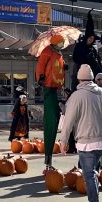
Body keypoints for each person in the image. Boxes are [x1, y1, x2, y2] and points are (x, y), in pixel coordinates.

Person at [58, 64, 102, 202]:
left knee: (88, 175)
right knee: (93, 173)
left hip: (86, 142)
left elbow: (68, 122)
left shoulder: (76, 96)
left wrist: (63, 141)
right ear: (92, 78)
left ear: (79, 78)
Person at [35, 34, 67, 168]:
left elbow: (60, 66)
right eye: (61, 42)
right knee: (51, 120)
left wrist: (65, 67)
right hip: (49, 86)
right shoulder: (47, 51)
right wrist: (40, 78)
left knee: (54, 117)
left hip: (56, 86)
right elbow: (41, 66)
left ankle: (49, 159)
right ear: (55, 42)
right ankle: (48, 158)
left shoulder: (58, 53)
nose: (62, 44)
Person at [71, 15, 102, 89]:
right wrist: (85, 58)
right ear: (86, 37)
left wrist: (101, 71)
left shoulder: (94, 48)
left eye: (92, 38)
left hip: (93, 74)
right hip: (81, 74)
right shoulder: (79, 45)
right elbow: (75, 58)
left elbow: (98, 60)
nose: (91, 39)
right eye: (89, 37)